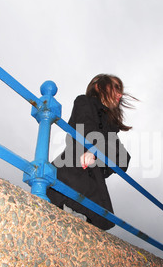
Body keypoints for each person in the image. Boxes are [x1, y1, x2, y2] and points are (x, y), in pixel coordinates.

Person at [47, 74, 135, 230]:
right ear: (98, 86)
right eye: (114, 87)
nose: (119, 94)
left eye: (120, 90)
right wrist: (95, 150)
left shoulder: (110, 127)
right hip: (71, 177)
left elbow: (123, 159)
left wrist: (97, 155)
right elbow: (86, 130)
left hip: (92, 190)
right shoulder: (84, 102)